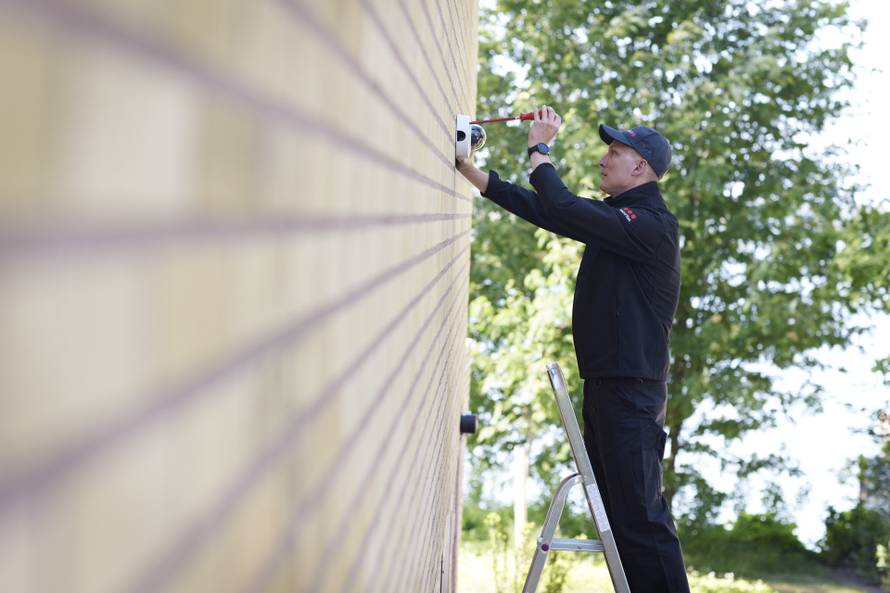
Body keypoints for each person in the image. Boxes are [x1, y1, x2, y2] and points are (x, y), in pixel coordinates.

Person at [456, 105, 690, 593]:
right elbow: (548, 210)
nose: (604, 159)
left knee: (642, 522)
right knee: (622, 522)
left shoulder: (650, 225)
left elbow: (561, 205)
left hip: (632, 395)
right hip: (610, 389)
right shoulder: (618, 218)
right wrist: (473, 173)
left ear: (640, 167)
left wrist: (540, 149)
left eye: (614, 151)